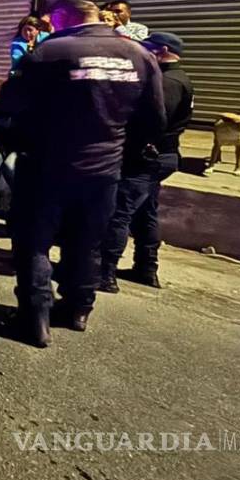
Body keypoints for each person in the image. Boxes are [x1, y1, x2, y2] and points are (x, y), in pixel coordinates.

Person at [0, 0, 165, 347]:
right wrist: (118, 152)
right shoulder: (139, 55)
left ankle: (34, 319)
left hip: (45, 168)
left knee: (33, 243)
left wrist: (15, 142)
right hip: (103, 172)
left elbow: (8, 110)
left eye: (51, 22)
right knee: (86, 243)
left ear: (62, 17)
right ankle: (77, 310)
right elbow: (153, 121)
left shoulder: (49, 52)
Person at [98, 32, 194, 292]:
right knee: (145, 212)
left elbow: (154, 122)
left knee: (119, 213)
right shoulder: (174, 78)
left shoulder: (167, 82)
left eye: (148, 48)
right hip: (158, 157)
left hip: (147, 158)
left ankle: (104, 274)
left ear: (162, 51)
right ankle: (146, 269)